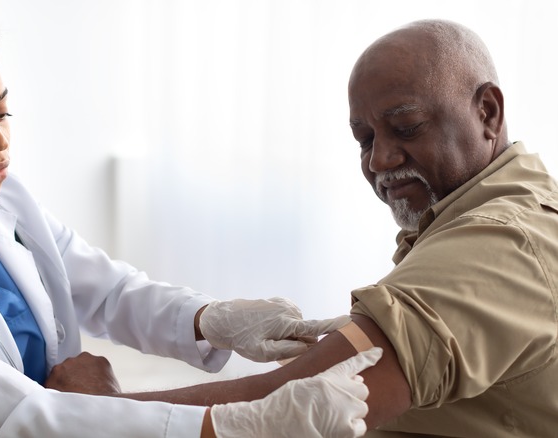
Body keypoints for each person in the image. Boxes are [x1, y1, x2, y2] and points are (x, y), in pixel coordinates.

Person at [0, 1, 382, 437]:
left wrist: (212, 320)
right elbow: (22, 418)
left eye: (2, 111)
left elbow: (106, 290)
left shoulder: (4, 204)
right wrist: (230, 425)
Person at [105, 18, 557, 437]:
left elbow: (289, 406)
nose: (379, 160)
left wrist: (101, 410)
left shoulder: (501, 240)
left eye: (406, 126)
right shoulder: (495, 205)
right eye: (365, 139)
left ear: (488, 112)